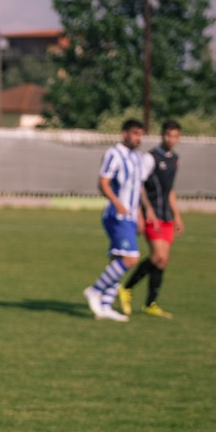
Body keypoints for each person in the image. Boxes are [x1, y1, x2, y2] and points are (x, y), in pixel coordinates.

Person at [83, 118, 154, 322]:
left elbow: (138, 187)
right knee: (130, 258)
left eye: (140, 134)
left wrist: (140, 213)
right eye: (134, 133)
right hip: (116, 215)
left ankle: (105, 306)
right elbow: (103, 183)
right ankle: (95, 290)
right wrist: (117, 203)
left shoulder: (138, 158)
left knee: (118, 260)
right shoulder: (113, 154)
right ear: (124, 133)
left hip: (131, 216)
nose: (137, 138)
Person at [119, 119, 183, 318]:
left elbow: (170, 190)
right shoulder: (150, 158)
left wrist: (177, 216)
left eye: (175, 136)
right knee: (157, 256)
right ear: (162, 135)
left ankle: (150, 304)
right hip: (151, 215)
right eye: (168, 135)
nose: (171, 139)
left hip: (166, 217)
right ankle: (126, 288)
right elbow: (139, 186)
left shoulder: (175, 159)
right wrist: (146, 211)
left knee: (163, 261)